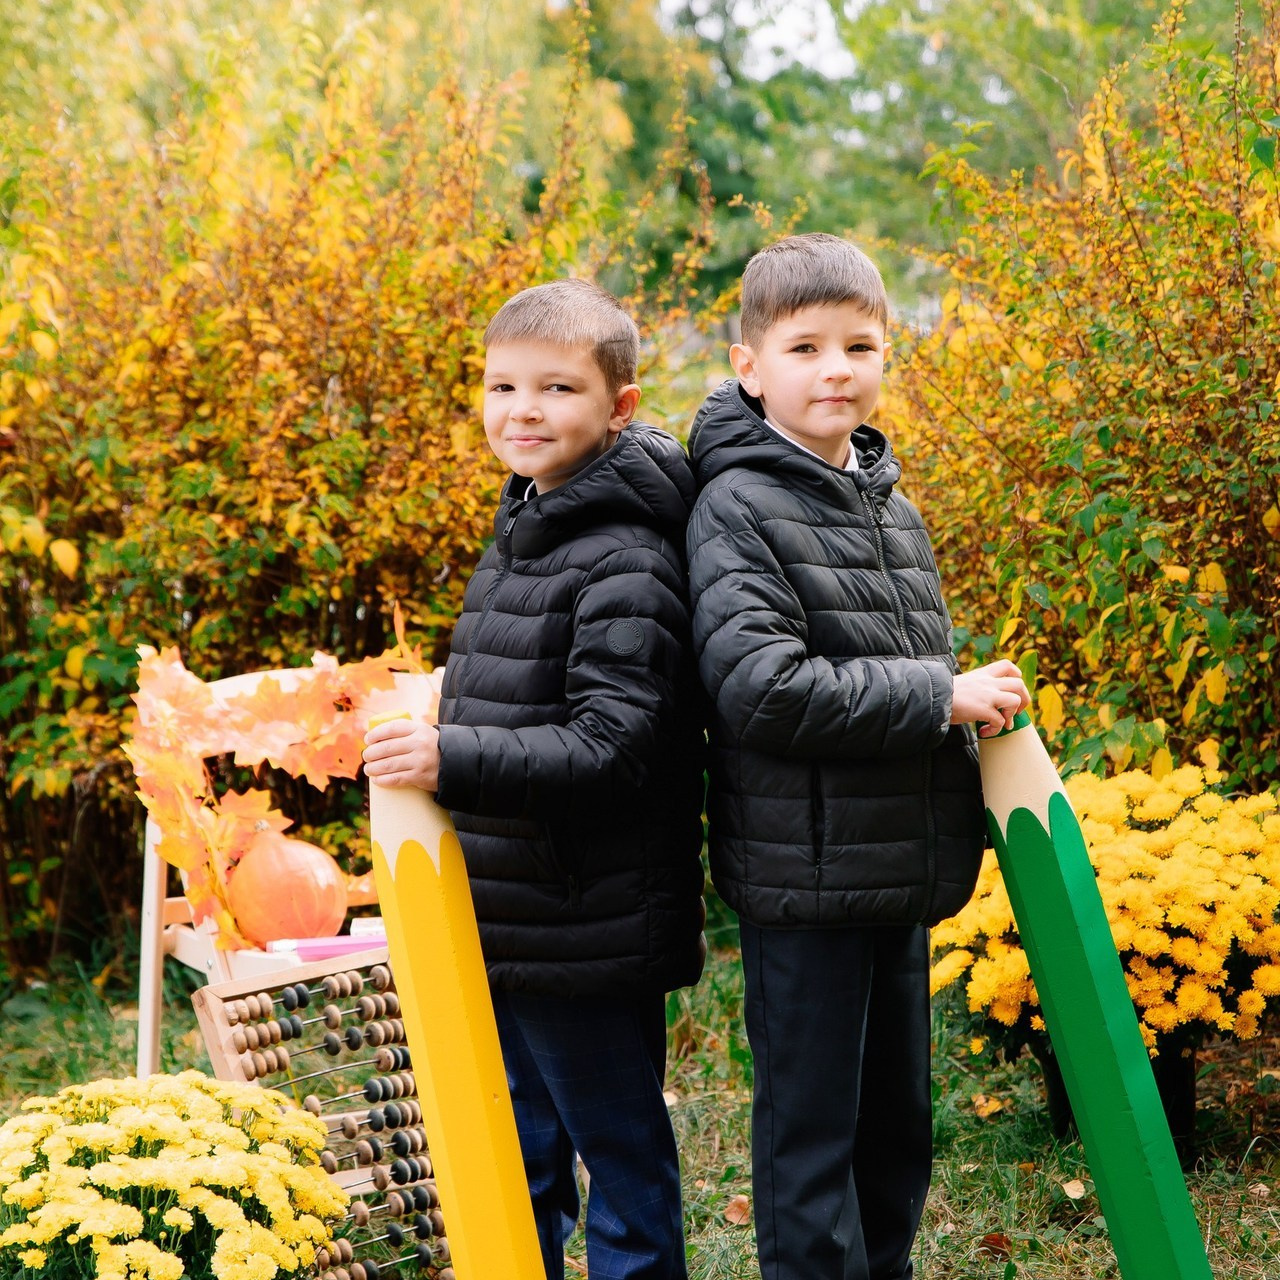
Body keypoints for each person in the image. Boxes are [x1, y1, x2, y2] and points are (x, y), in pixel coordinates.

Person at [684, 232, 1030, 1280]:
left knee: (894, 1128)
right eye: (803, 347)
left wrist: (968, 708)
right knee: (810, 1135)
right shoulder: (736, 505)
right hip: (804, 875)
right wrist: (939, 694)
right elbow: (762, 689)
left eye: (858, 344)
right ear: (749, 366)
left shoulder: (890, 506)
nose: (835, 368)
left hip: (890, 866)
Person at [362, 277, 706, 1280]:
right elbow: (525, 688)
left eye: (556, 388)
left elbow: (611, 744)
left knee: (619, 1154)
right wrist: (441, 706)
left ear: (619, 407)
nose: (521, 409)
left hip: (583, 912)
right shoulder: (529, 521)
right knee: (526, 1148)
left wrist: (449, 754)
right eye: (502, 385)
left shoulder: (626, 559)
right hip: (515, 902)